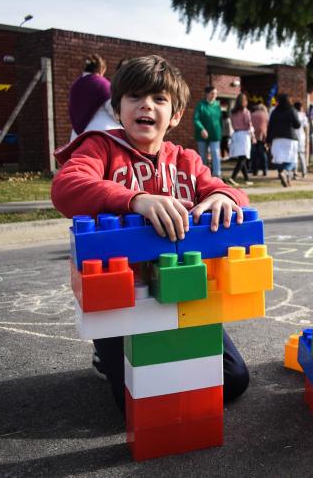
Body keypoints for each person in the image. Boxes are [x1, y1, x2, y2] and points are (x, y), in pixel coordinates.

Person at [51, 55, 250, 411]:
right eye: (135, 97)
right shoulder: (99, 147)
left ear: (174, 116)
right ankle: (106, 352)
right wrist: (135, 199)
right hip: (120, 299)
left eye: (159, 99)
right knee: (137, 399)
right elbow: (66, 187)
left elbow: (228, 191)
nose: (146, 105)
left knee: (232, 381)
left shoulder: (186, 160)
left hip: (182, 295)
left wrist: (223, 195)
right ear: (117, 110)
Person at [67, 54, 120, 140]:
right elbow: (114, 110)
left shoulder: (76, 84)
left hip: (77, 136)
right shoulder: (102, 84)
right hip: (102, 134)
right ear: (101, 69)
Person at [267, 93, 301, 187]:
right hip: (290, 138)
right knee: (291, 159)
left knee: (279, 159)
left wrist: (268, 140)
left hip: (277, 138)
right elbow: (297, 125)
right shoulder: (292, 110)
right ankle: (285, 171)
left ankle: (285, 176)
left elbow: (270, 126)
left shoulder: (274, 111)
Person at [193, 86, 223, 177]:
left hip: (215, 134)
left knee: (215, 153)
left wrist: (221, 133)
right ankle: (203, 175)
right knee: (203, 155)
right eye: (212, 93)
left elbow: (220, 120)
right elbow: (196, 119)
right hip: (202, 135)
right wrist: (202, 129)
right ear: (207, 94)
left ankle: (217, 174)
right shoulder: (201, 105)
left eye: (216, 93)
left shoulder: (217, 105)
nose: (214, 95)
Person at [228, 93, 254, 186]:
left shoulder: (233, 112)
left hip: (236, 134)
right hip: (244, 135)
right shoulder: (245, 111)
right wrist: (253, 136)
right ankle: (233, 177)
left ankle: (247, 179)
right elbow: (248, 124)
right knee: (243, 157)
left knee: (241, 157)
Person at [250, 103, 270, 176]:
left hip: (254, 135)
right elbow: (268, 125)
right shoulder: (266, 115)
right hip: (263, 135)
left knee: (254, 154)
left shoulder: (252, 114)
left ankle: (254, 170)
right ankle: (265, 170)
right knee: (263, 153)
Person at [293, 101, 309, 179]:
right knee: (301, 155)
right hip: (301, 137)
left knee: (294, 156)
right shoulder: (303, 116)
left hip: (293, 137)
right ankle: (304, 172)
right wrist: (306, 137)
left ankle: (295, 173)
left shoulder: (293, 115)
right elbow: (306, 127)